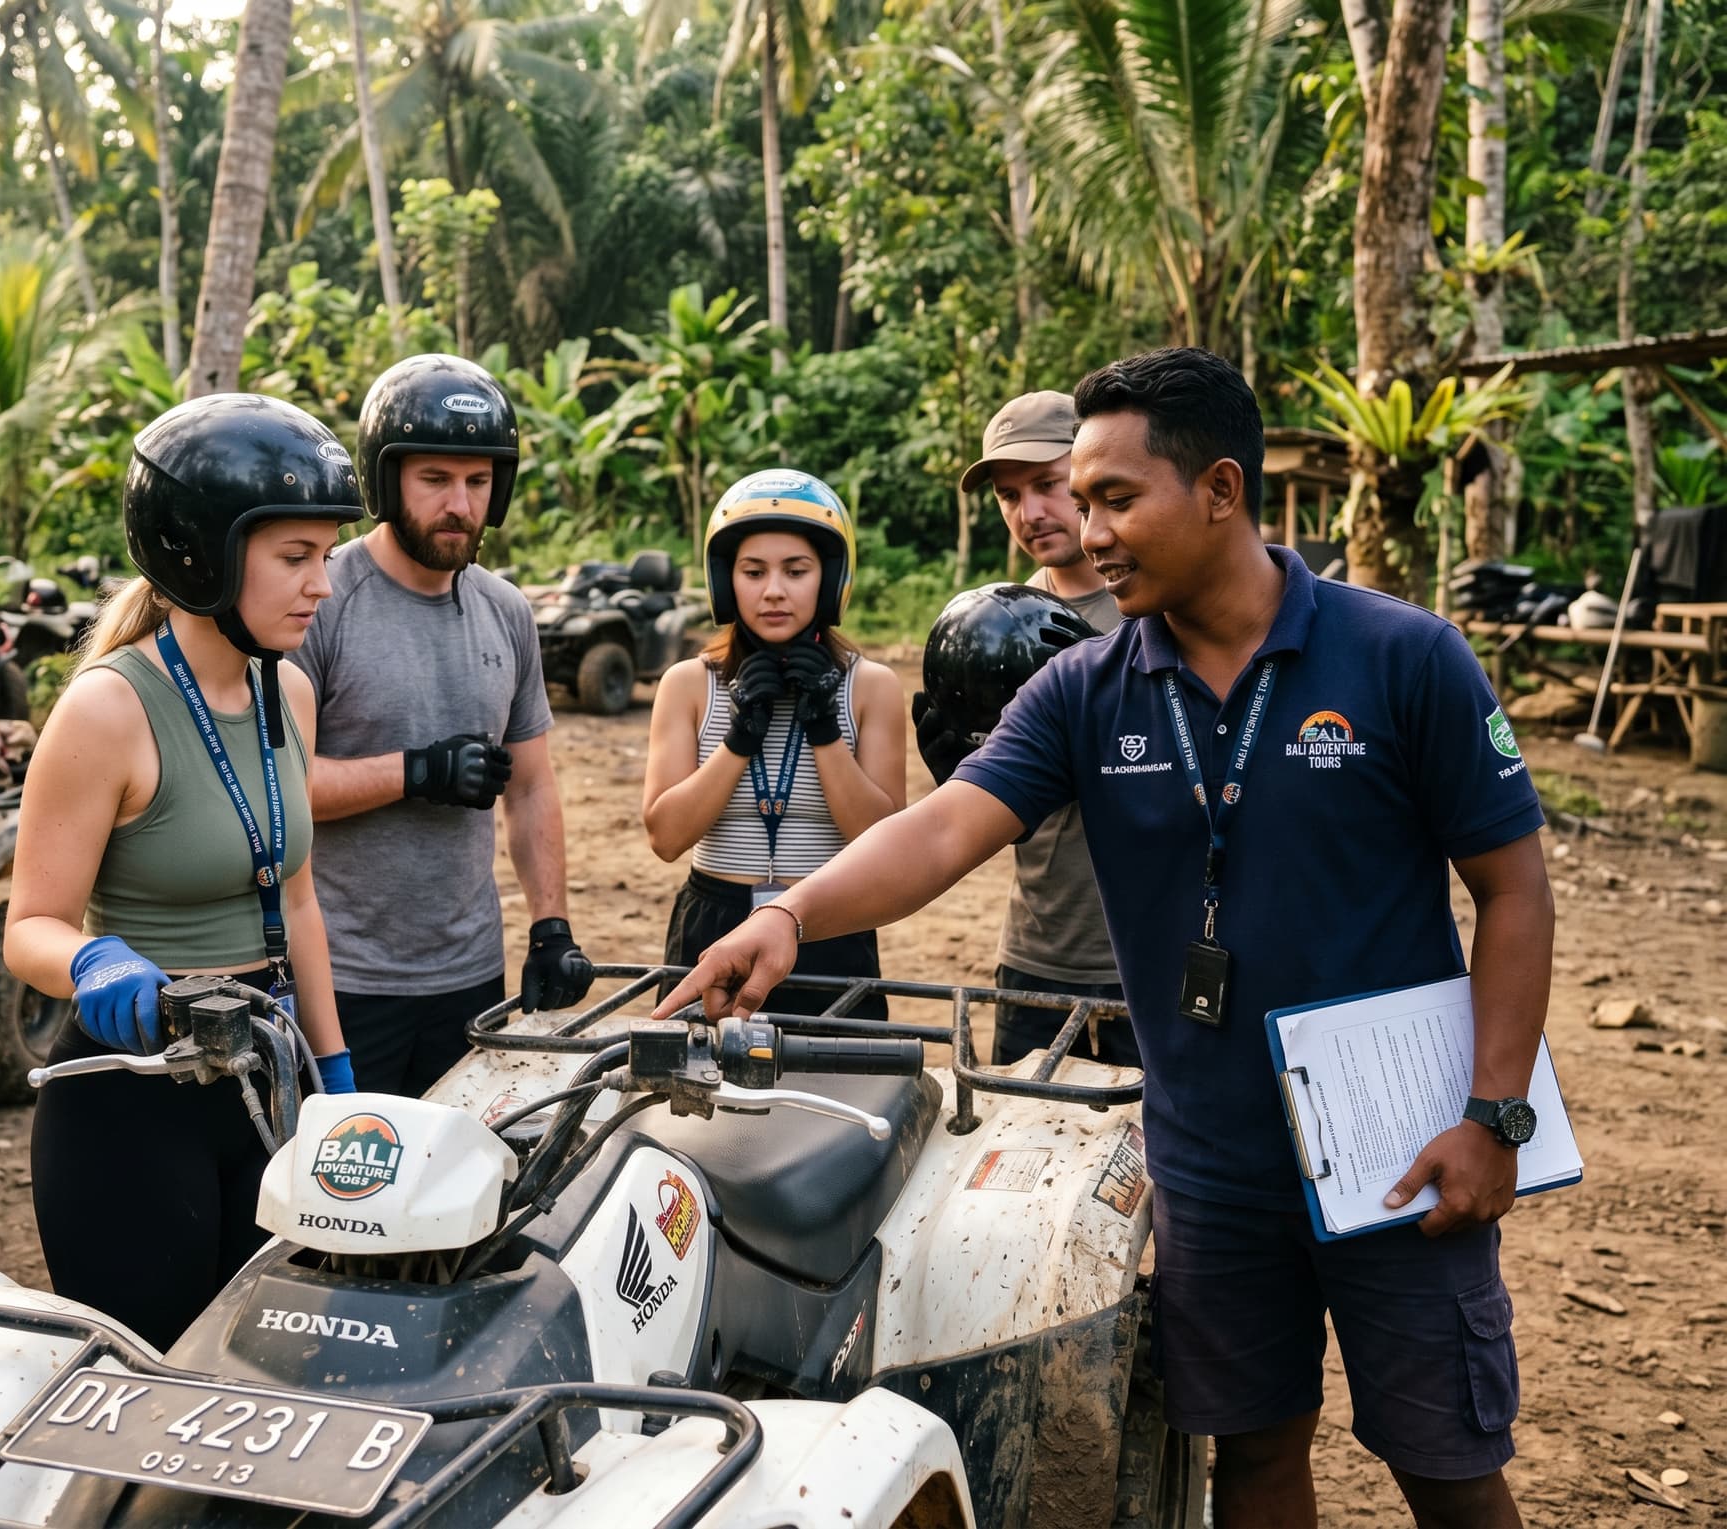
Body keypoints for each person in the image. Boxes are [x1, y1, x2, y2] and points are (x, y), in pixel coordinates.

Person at [661, 348, 1554, 1529]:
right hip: (1206, 1149)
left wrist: (1491, 1115)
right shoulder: (1084, 688)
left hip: (1399, 1135)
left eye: (1115, 499)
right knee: (1250, 1452)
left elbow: (1515, 891)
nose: (1086, 532)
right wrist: (785, 912)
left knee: (1443, 1460)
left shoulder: (1400, 657)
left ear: (1221, 490)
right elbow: (936, 833)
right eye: (1078, 501)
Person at [7, 393, 362, 1350]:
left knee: (273, 1359)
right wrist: (96, 963)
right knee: (159, 1381)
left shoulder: (287, 687)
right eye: (296, 557)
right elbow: (30, 922)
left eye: (325, 556)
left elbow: (296, 895)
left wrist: (333, 1068)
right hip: (135, 1093)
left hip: (265, 1069)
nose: (321, 585)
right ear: (198, 554)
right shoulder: (108, 711)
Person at [292, 354, 593, 1097]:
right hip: (343, 978)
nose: (460, 503)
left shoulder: (508, 610)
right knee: (348, 1203)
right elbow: (279, 786)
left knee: (466, 1190)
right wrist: (417, 771)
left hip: (470, 974)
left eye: (478, 481)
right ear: (386, 479)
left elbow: (530, 790)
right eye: (435, 479)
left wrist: (551, 926)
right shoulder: (319, 600)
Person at [914, 390, 1138, 1066]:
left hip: (1150, 957)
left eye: (1046, 483)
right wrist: (963, 784)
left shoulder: (1156, 607)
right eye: (1009, 495)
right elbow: (986, 824)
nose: (1029, 512)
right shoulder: (995, 631)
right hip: (1035, 953)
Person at [642, 468, 905, 1017]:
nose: (774, 590)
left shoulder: (871, 686)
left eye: (796, 570)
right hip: (715, 919)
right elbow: (666, 837)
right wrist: (740, 738)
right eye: (753, 571)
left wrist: (824, 728)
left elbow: (883, 845)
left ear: (829, 579)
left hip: (830, 922)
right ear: (725, 581)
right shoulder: (689, 684)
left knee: (834, 1092)